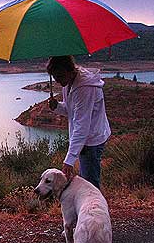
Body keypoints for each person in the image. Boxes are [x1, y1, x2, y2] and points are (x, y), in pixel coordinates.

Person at [47, 55, 111, 189]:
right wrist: (57, 106)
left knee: (90, 185)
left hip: (91, 140)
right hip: (85, 139)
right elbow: (72, 111)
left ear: (69, 70)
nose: (58, 81)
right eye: (55, 78)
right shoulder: (70, 82)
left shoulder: (84, 88)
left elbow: (82, 126)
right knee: (86, 181)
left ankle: (94, 209)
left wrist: (69, 160)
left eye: (60, 76)